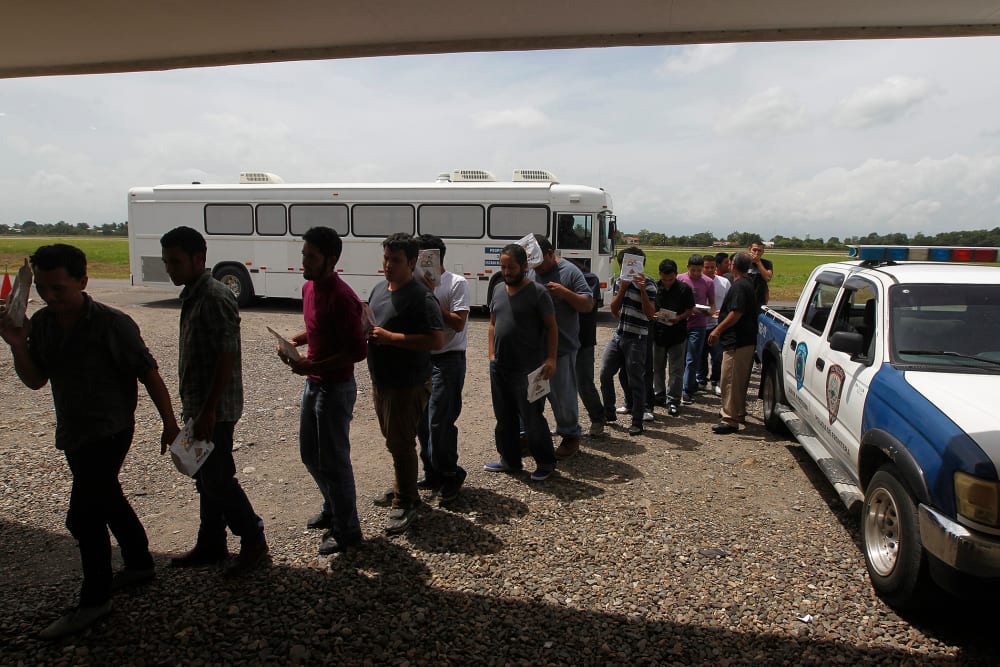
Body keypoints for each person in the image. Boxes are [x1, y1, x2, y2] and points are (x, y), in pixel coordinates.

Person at [0, 244, 180, 640]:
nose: (49, 297)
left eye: (58, 289)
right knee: (106, 497)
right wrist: (16, 344)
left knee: (82, 517)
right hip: (74, 432)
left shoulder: (113, 324)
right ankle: (139, 562)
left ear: (83, 281)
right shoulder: (44, 325)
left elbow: (148, 373)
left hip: (110, 430)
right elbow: (35, 380)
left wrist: (169, 423)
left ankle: (95, 599)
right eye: (43, 289)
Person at [160, 226, 268, 576]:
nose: (169, 268)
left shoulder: (216, 297)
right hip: (200, 408)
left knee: (219, 478)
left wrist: (207, 411)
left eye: (175, 261)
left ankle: (253, 540)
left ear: (199, 259)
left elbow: (226, 357)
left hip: (214, 411)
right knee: (205, 477)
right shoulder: (194, 294)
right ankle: (211, 542)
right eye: (166, 262)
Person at [277, 227, 367, 555]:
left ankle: (348, 529)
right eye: (304, 254)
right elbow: (318, 328)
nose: (305, 261)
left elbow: (358, 351)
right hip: (313, 384)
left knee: (334, 461)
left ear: (331, 260)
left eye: (311, 257)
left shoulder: (344, 298)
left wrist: (311, 366)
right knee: (310, 455)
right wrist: (294, 343)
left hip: (335, 388)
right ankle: (333, 507)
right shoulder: (309, 288)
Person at [367, 233, 444, 533]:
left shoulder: (421, 297)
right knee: (394, 441)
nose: (388, 265)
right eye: (386, 258)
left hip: (408, 383)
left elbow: (436, 340)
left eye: (395, 260)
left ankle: (406, 501)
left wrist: (391, 339)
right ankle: (404, 484)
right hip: (382, 380)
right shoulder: (378, 289)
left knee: (401, 442)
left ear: (412, 263)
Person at [485, 243, 559, 480]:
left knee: (532, 418)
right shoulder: (497, 289)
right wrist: (491, 355)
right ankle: (509, 460)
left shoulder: (538, 293)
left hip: (530, 370)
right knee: (504, 418)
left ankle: (546, 463)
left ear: (525, 266)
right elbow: (492, 323)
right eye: (503, 267)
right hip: (500, 367)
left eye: (511, 267)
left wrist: (551, 358)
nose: (506, 272)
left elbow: (551, 327)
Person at [416, 234, 471, 501]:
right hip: (422, 359)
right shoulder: (413, 285)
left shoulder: (456, 283)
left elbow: (459, 323)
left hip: (448, 360)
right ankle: (432, 471)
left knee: (440, 421)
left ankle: (451, 473)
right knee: (421, 423)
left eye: (423, 257)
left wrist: (433, 301)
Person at [529, 234, 592, 460]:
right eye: (532, 263)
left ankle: (570, 436)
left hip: (563, 347)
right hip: (534, 348)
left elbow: (588, 304)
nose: (536, 267)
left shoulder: (570, 272)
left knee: (562, 396)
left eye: (540, 261)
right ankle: (529, 435)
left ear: (550, 253)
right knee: (532, 394)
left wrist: (565, 294)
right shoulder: (530, 270)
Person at [599, 247, 656, 436]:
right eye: (625, 264)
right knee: (605, 373)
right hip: (620, 334)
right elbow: (614, 311)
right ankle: (609, 412)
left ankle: (637, 421)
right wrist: (623, 288)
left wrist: (642, 291)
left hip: (638, 338)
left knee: (635, 380)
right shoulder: (620, 281)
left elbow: (650, 315)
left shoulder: (649, 284)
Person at [707, 252, 759, 434]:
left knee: (729, 380)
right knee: (739, 381)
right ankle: (738, 412)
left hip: (737, 342)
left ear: (733, 266)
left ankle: (729, 419)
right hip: (746, 340)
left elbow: (736, 313)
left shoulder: (738, 286)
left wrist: (717, 329)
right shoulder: (747, 284)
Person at [651, 258, 694, 417]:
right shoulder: (655, 287)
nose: (667, 282)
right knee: (658, 367)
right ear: (660, 275)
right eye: (664, 279)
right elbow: (650, 307)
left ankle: (674, 400)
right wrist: (654, 316)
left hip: (677, 334)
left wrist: (679, 318)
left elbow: (690, 309)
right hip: (659, 333)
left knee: (676, 369)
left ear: (676, 274)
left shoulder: (684, 289)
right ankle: (659, 394)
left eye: (671, 279)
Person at [677, 254, 715, 405]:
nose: (696, 274)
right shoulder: (680, 278)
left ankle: (686, 391)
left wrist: (709, 311)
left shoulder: (708, 282)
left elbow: (712, 304)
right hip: (681, 323)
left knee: (692, 358)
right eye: (693, 270)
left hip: (698, 324)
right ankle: (681, 386)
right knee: (680, 358)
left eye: (699, 271)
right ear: (687, 268)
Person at [576, 268, 605, 437]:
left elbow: (588, 305)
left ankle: (598, 418)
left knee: (584, 384)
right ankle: (566, 424)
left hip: (583, 341)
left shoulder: (590, 279)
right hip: (560, 341)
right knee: (558, 386)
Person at [698, 254, 731, 395]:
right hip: (699, 324)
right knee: (700, 355)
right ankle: (701, 380)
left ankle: (715, 381)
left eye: (712, 267)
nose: (710, 270)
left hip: (717, 325)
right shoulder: (696, 282)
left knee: (718, 356)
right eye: (706, 267)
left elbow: (730, 303)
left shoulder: (724, 283)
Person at [747, 241, 773, 306]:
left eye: (759, 251)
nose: (757, 253)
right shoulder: (744, 262)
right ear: (749, 249)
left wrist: (758, 262)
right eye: (754, 250)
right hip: (745, 299)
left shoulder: (767, 263)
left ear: (763, 252)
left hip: (760, 301)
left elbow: (768, 278)